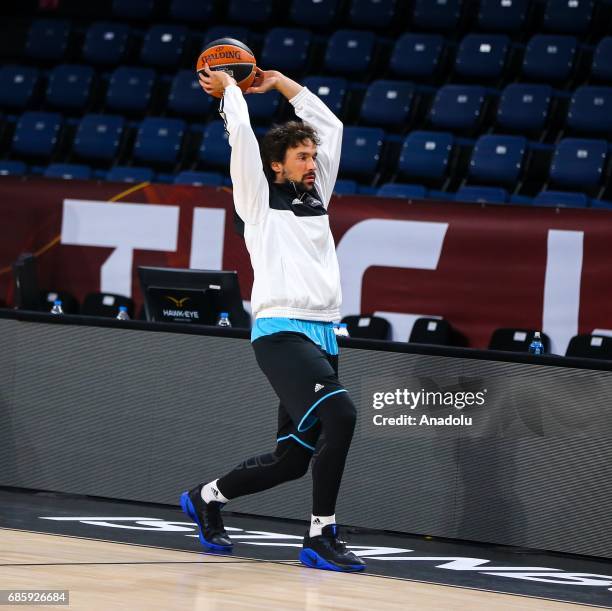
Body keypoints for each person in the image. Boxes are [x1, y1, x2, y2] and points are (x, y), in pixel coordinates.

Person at [180, 63, 365, 573]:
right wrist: (232, 93)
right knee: (342, 416)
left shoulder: (316, 197)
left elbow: (333, 129)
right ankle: (320, 536)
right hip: (280, 331)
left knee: (292, 459)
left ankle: (206, 497)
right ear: (276, 166)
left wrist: (282, 84)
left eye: (312, 156)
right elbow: (241, 139)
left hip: (323, 333)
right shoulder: (258, 202)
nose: (312, 161)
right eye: (301, 157)